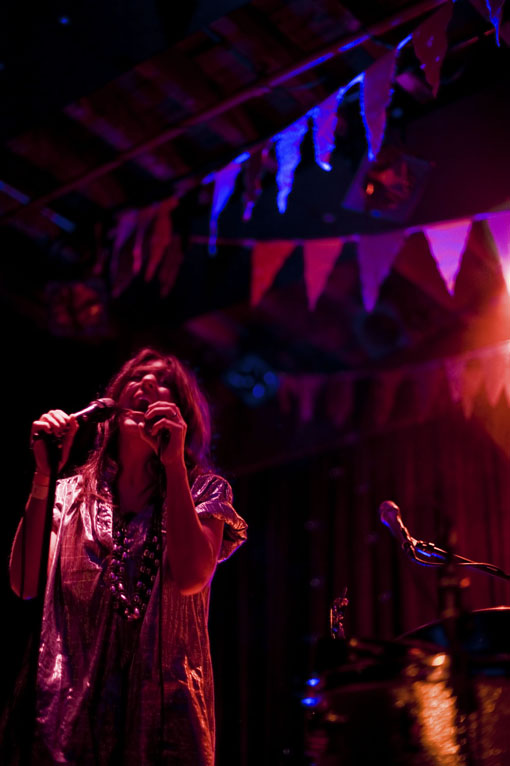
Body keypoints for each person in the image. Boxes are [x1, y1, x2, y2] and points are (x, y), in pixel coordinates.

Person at [8, 347, 247, 765]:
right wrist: (44, 475)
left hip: (165, 728)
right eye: (136, 377)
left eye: (163, 381)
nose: (147, 384)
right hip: (66, 728)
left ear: (182, 414)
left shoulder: (204, 492)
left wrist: (173, 463)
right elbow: (25, 584)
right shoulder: (68, 495)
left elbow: (192, 576)